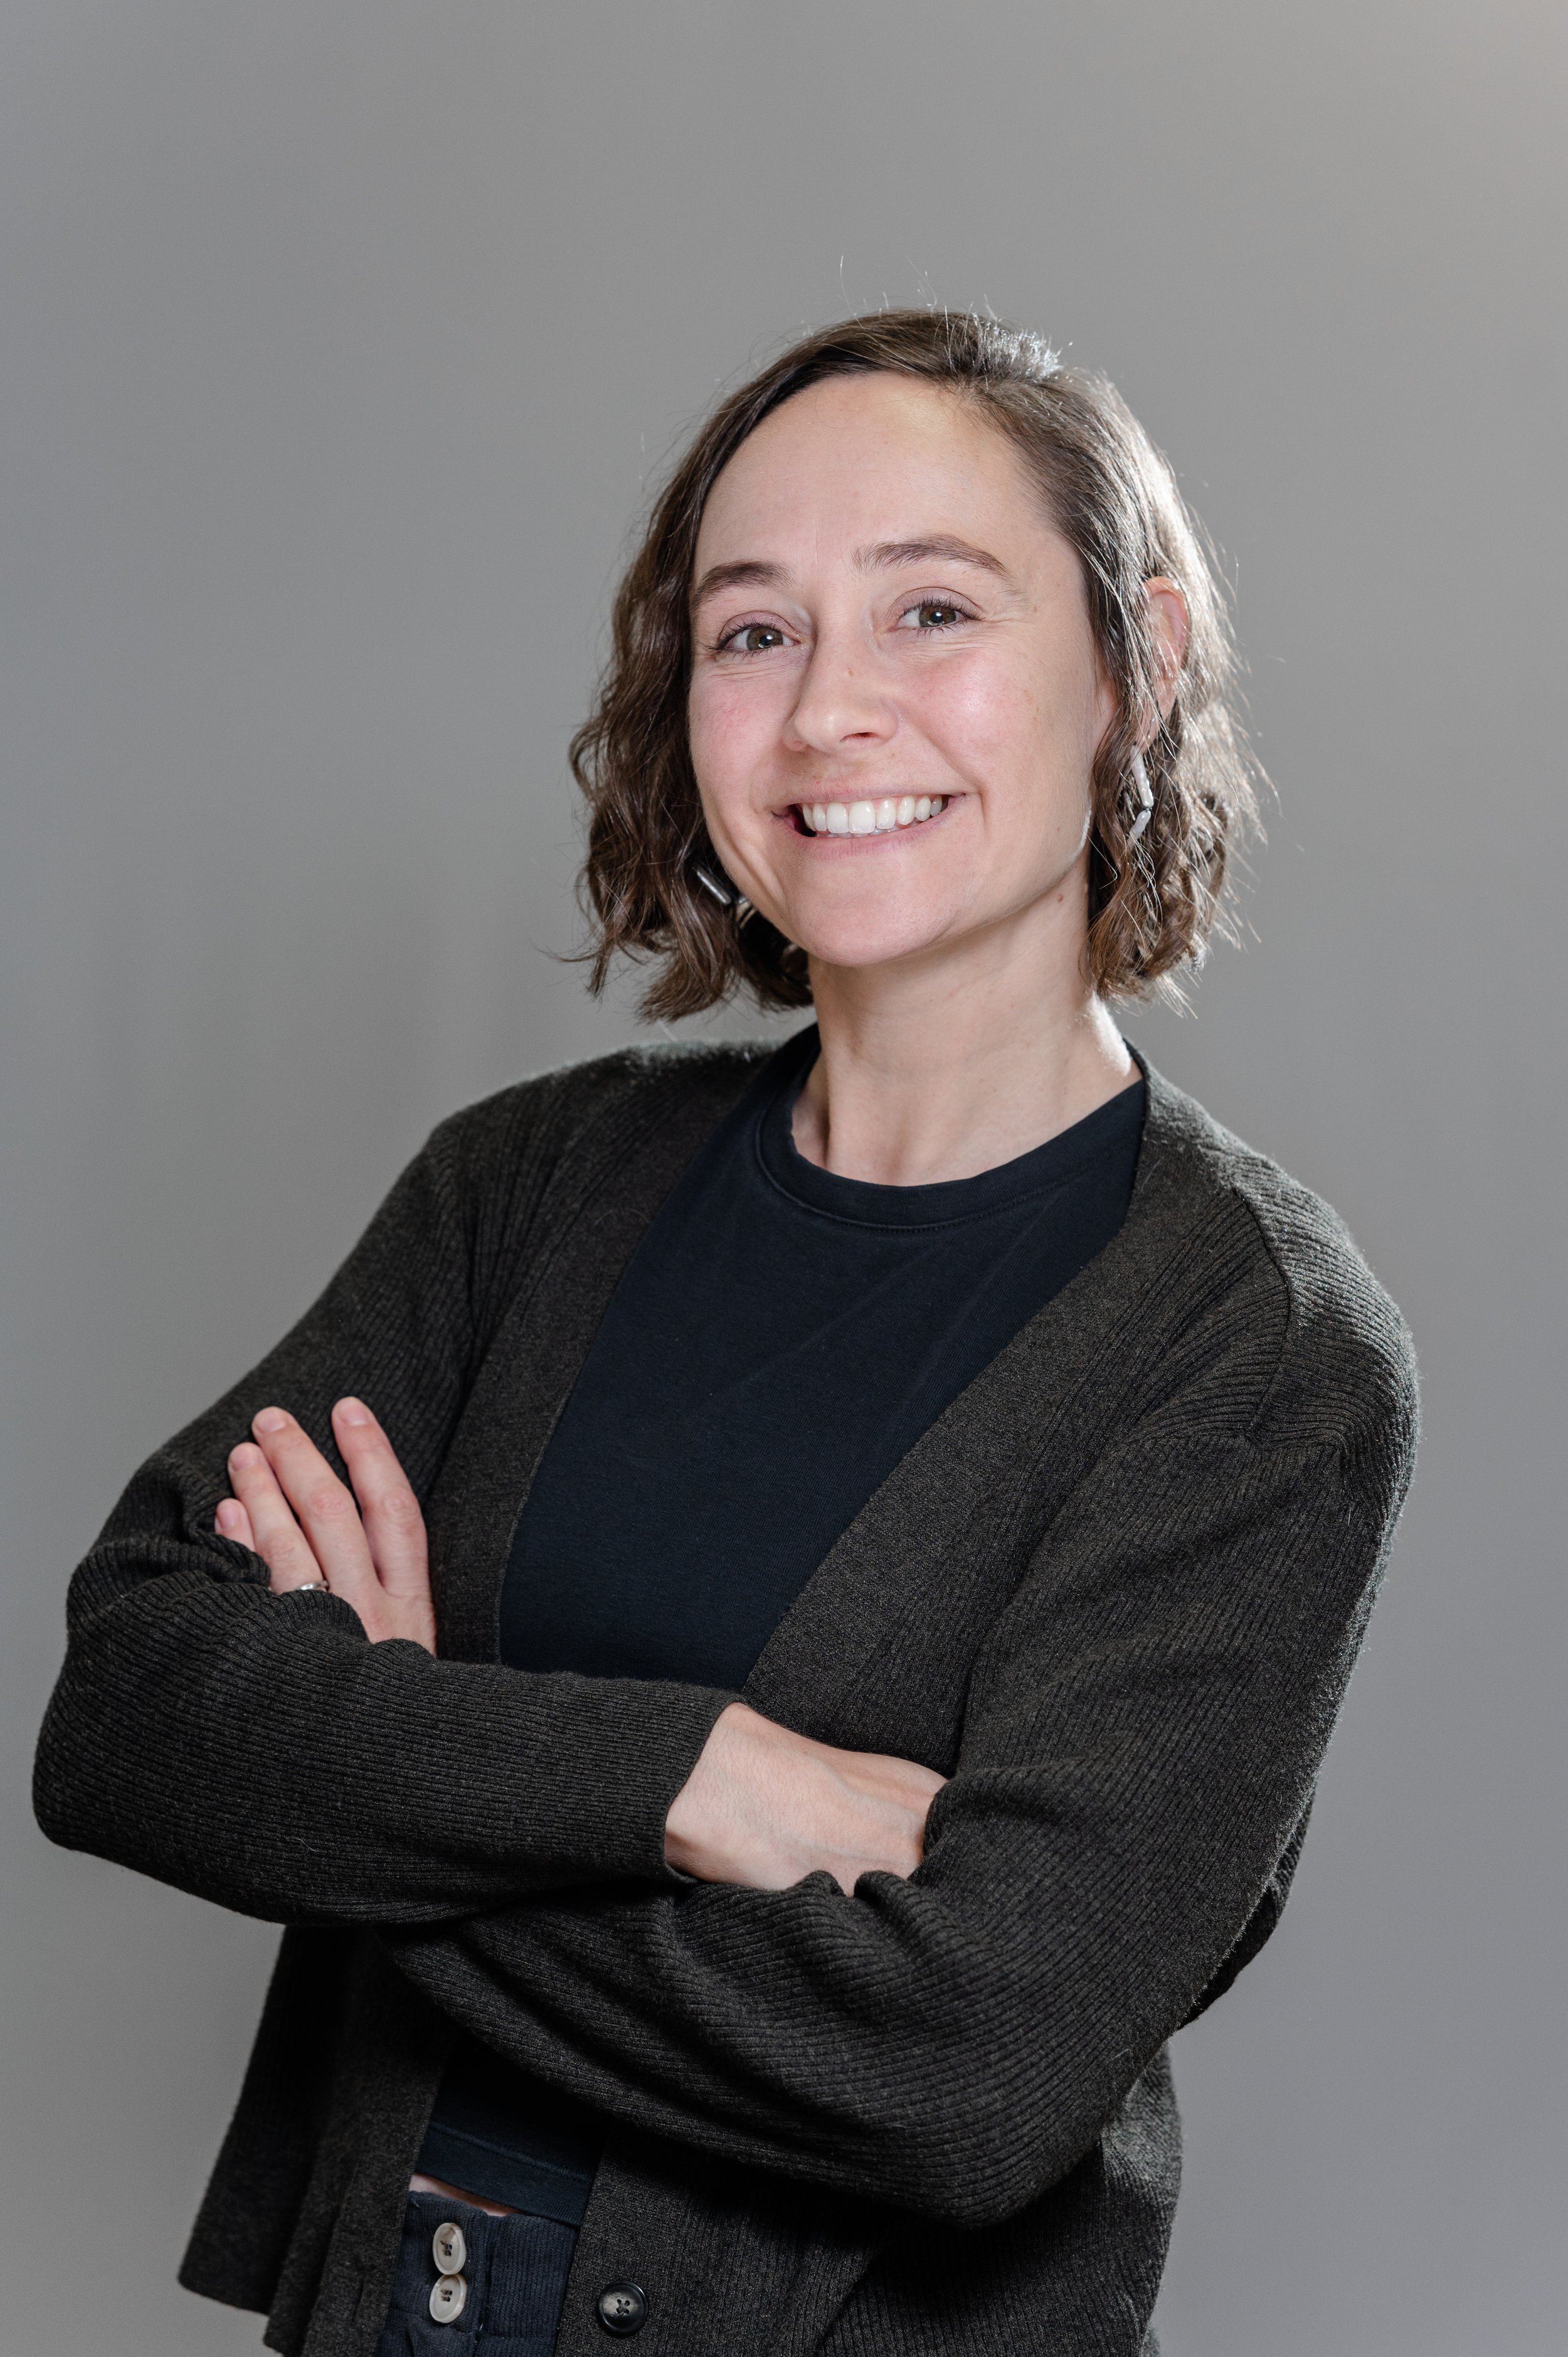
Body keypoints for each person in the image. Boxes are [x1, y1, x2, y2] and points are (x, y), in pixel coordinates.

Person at [34, 310, 1417, 2357]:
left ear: (1138, 652)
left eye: (930, 609)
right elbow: (132, 1715)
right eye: (750, 633)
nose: (829, 713)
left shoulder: (1255, 1353)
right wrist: (708, 1781)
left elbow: (961, 2076)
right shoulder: (522, 1189)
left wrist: (398, 1757)